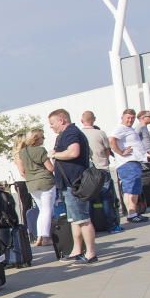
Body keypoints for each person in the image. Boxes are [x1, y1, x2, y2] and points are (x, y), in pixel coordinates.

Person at [48, 108, 98, 262]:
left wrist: (54, 154)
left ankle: (90, 253)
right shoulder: (67, 133)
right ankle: (76, 250)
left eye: (52, 123)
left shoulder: (71, 133)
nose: (51, 127)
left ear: (61, 120)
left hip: (74, 183)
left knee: (82, 219)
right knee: (74, 219)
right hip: (69, 184)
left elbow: (73, 152)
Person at [81, 110, 122, 233]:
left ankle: (92, 226)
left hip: (87, 173)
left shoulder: (79, 134)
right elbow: (107, 151)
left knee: (90, 200)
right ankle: (112, 225)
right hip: (102, 169)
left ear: (82, 120)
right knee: (106, 199)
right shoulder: (100, 133)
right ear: (94, 119)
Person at [14, 129, 55, 246]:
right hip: (45, 181)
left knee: (42, 210)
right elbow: (50, 168)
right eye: (42, 137)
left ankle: (39, 237)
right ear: (37, 139)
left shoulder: (22, 152)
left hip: (31, 183)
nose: (44, 139)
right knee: (47, 210)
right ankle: (45, 237)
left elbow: (22, 171)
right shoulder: (41, 150)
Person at [110, 108, 148, 223]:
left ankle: (133, 213)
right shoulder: (120, 128)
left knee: (132, 189)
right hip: (128, 163)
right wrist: (121, 152)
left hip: (133, 162)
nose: (130, 120)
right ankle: (132, 214)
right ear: (122, 117)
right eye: (128, 118)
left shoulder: (129, 129)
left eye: (132, 118)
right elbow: (111, 140)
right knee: (132, 189)